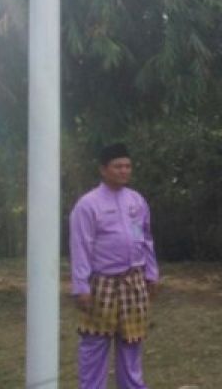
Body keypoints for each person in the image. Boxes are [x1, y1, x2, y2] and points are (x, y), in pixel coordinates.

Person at [70, 143, 159, 389]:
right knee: (95, 344)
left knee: (132, 341)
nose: (124, 171)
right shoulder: (88, 205)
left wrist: (151, 274)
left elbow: (147, 238)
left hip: (134, 281)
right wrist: (81, 286)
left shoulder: (137, 201)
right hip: (102, 284)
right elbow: (80, 246)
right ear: (103, 170)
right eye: (118, 166)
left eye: (127, 166)